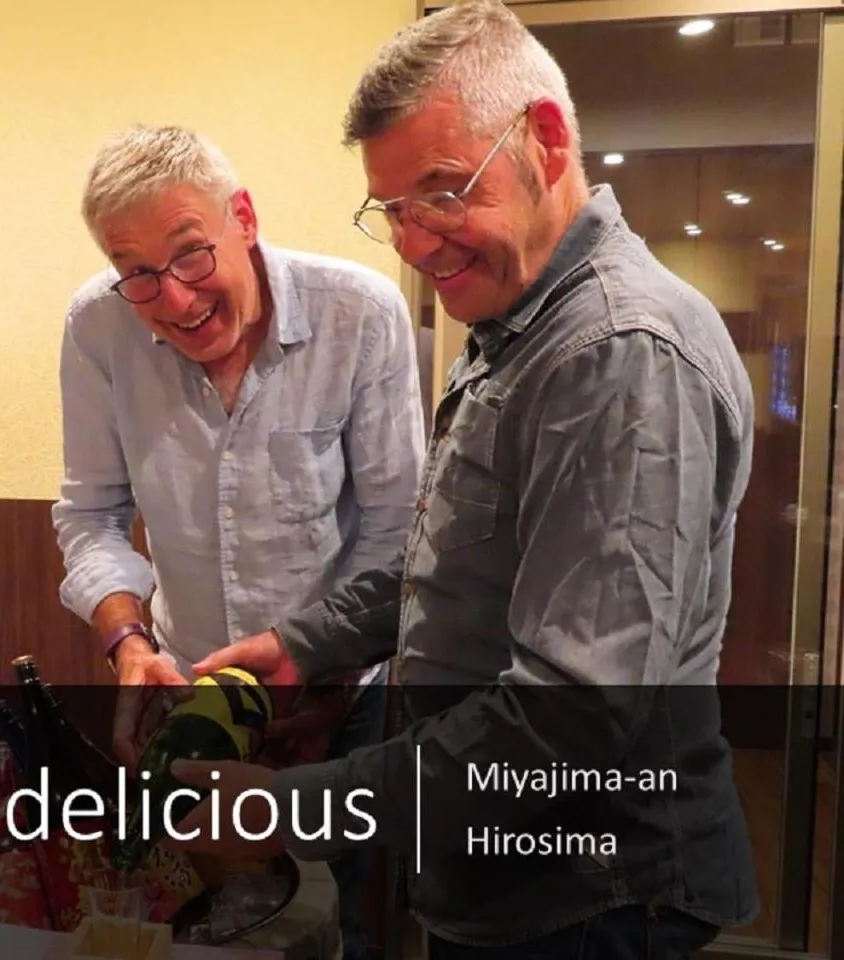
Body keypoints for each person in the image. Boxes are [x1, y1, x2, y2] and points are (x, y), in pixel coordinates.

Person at [164, 2, 760, 958]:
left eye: (444, 193)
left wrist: (291, 807)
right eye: (394, 208)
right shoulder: (516, 329)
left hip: (588, 898)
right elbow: (454, 556)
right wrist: (301, 643)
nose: (412, 241)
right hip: (499, 875)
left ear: (548, 141)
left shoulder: (618, 354)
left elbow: (573, 719)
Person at [51, 124, 426, 959]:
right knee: (194, 920)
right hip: (188, 695)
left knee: (338, 924)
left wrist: (322, 691)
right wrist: (126, 641)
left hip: (346, 701)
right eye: (138, 275)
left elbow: (401, 537)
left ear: (244, 218)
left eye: (191, 255)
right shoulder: (98, 329)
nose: (176, 299)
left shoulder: (359, 313)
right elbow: (90, 514)